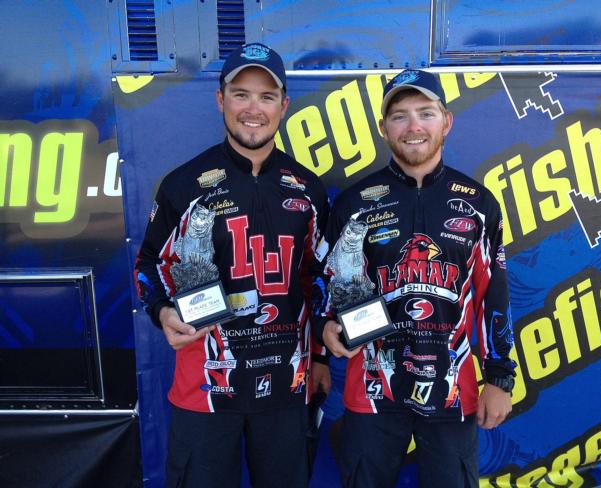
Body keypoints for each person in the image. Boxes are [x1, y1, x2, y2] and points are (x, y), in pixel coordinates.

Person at [134, 42, 331, 488]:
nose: (253, 109)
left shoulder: (308, 190)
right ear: (221, 99)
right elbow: (149, 264)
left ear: (283, 105)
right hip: (205, 385)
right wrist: (163, 313)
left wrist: (319, 354)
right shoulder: (183, 185)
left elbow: (320, 279)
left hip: (286, 384)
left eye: (266, 97)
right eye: (241, 94)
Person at [312, 69, 516, 488]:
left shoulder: (478, 203)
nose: (414, 127)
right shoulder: (353, 203)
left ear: (446, 121)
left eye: (425, 113)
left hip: (451, 386)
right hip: (372, 389)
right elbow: (323, 282)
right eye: (400, 116)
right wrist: (323, 328)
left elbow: (492, 293)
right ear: (384, 128)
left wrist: (499, 377)